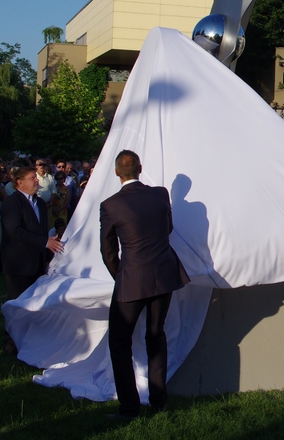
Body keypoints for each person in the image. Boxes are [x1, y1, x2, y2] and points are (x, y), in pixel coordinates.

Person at [100, 150, 190, 420]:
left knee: (119, 342)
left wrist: (122, 275)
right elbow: (168, 228)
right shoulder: (161, 194)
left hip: (133, 279)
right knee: (156, 335)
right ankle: (159, 401)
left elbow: (108, 252)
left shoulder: (111, 205)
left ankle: (129, 408)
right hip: (163, 274)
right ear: (140, 168)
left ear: (117, 172)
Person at [1, 166, 64, 354]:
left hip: (35, 261)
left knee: (35, 303)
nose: (36, 181)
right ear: (19, 182)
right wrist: (45, 242)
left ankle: (31, 339)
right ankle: (11, 342)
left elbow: (42, 231)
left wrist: (45, 256)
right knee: (17, 302)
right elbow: (15, 231)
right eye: (31, 178)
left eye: (36, 178)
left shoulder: (40, 203)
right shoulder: (12, 203)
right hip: (18, 262)